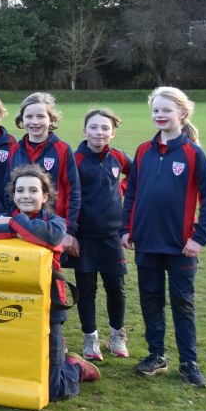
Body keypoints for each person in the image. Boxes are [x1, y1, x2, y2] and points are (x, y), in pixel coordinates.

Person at [0, 165, 100, 400]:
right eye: (20, 190)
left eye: (32, 190)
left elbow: (51, 237)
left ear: (45, 196)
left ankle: (75, 367)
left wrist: (10, 224)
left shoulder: (55, 222)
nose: (25, 195)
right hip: (11, 301)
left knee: (55, 390)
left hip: (50, 305)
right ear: (13, 195)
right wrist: (15, 226)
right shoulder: (5, 217)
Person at [122, 87, 206, 388]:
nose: (160, 115)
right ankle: (156, 355)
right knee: (150, 299)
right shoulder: (142, 151)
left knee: (182, 303)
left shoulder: (193, 153)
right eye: (155, 111)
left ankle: (189, 362)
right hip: (147, 243)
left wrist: (199, 238)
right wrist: (127, 228)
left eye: (166, 110)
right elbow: (132, 193)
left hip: (180, 246)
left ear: (182, 114)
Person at [72, 108, 131, 360]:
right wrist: (70, 232)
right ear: (85, 130)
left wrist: (123, 192)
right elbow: (67, 195)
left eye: (105, 128)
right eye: (94, 127)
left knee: (116, 288)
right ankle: (90, 339)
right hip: (84, 237)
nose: (99, 132)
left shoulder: (118, 157)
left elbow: (137, 177)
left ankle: (117, 336)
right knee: (86, 290)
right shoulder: (75, 159)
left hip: (112, 237)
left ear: (113, 132)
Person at [4, 92, 81, 256]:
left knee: (50, 274)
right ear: (22, 120)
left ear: (51, 119)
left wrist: (69, 230)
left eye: (41, 116)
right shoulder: (14, 151)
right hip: (21, 227)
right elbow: (8, 191)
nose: (34, 122)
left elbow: (73, 192)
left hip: (52, 229)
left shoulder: (63, 149)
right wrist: (13, 220)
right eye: (29, 116)